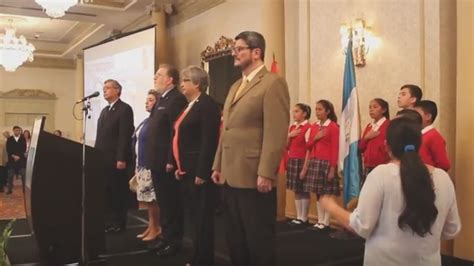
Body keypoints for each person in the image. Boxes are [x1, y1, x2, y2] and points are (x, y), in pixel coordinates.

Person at [321, 117, 461, 266]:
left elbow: (362, 226)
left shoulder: (381, 174)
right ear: (419, 145)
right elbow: (451, 230)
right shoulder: (443, 178)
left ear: (387, 146)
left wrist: (332, 207)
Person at [211, 31, 290, 266]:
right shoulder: (236, 85)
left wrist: (266, 172)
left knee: (258, 239)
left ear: (256, 52)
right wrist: (217, 164)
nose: (233, 53)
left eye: (239, 48)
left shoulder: (273, 82)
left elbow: (276, 132)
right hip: (229, 173)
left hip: (254, 174)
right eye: (233, 49)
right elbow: (227, 129)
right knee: (235, 237)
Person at [172, 66, 221, 266]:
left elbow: (208, 141)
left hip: (198, 171)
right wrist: (179, 165)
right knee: (194, 217)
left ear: (197, 83)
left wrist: (202, 172)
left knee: (202, 218)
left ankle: (204, 259)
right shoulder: (190, 105)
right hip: (186, 169)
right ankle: (197, 256)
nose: (181, 84)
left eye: (185, 80)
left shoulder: (207, 105)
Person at [146, 64, 187, 256]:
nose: (155, 77)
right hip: (156, 160)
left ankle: (174, 241)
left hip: (167, 162)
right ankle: (165, 237)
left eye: (159, 75)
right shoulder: (162, 98)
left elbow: (174, 131)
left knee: (172, 203)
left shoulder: (176, 99)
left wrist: (171, 159)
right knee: (163, 202)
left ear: (170, 79)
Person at [95, 79, 134, 233]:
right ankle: (107, 221)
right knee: (106, 192)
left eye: (108, 88)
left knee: (117, 191)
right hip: (103, 159)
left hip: (116, 160)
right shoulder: (105, 110)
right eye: (103, 88)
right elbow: (100, 136)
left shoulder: (125, 109)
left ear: (117, 90)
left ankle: (118, 222)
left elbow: (124, 135)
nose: (104, 91)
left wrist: (121, 158)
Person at [305, 100, 339, 231]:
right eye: (316, 109)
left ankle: (327, 221)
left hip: (326, 163)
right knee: (318, 192)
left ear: (328, 111)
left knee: (327, 192)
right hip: (315, 161)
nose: (317, 112)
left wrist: (332, 168)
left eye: (320, 109)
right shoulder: (314, 126)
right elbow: (308, 146)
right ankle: (320, 220)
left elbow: (335, 149)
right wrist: (316, 138)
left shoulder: (333, 127)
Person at [132, 90, 161, 241]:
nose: (146, 102)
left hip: (150, 164)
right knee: (146, 200)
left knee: (152, 199)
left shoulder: (156, 120)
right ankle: (151, 226)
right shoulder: (146, 120)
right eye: (146, 100)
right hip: (141, 164)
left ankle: (156, 227)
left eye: (150, 100)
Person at [286, 103, 312, 226]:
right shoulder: (292, 128)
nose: (294, 114)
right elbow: (286, 146)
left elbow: (309, 148)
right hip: (292, 159)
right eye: (294, 111)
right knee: (296, 189)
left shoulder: (308, 127)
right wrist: (289, 136)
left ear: (304, 113)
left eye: (297, 111)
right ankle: (298, 216)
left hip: (302, 160)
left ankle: (304, 217)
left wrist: (305, 167)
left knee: (303, 189)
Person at [358, 98, 390, 186]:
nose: (371, 110)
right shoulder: (369, 126)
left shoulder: (389, 125)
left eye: (375, 107)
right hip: (368, 166)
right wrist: (366, 138)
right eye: (370, 107)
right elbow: (361, 147)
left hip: (382, 166)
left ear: (383, 110)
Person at [414, 100, 451, 171]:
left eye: (416, 114)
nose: (413, 117)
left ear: (428, 117)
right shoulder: (419, 134)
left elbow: (444, 164)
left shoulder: (434, 136)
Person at [6, 126, 26, 194]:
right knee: (10, 175)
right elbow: (8, 149)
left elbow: (24, 148)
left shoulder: (23, 139)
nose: (17, 131)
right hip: (12, 160)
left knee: (23, 175)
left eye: (19, 130)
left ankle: (24, 189)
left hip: (21, 161)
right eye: (16, 130)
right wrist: (14, 156)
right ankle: (9, 189)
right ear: (13, 131)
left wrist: (19, 156)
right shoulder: (10, 139)